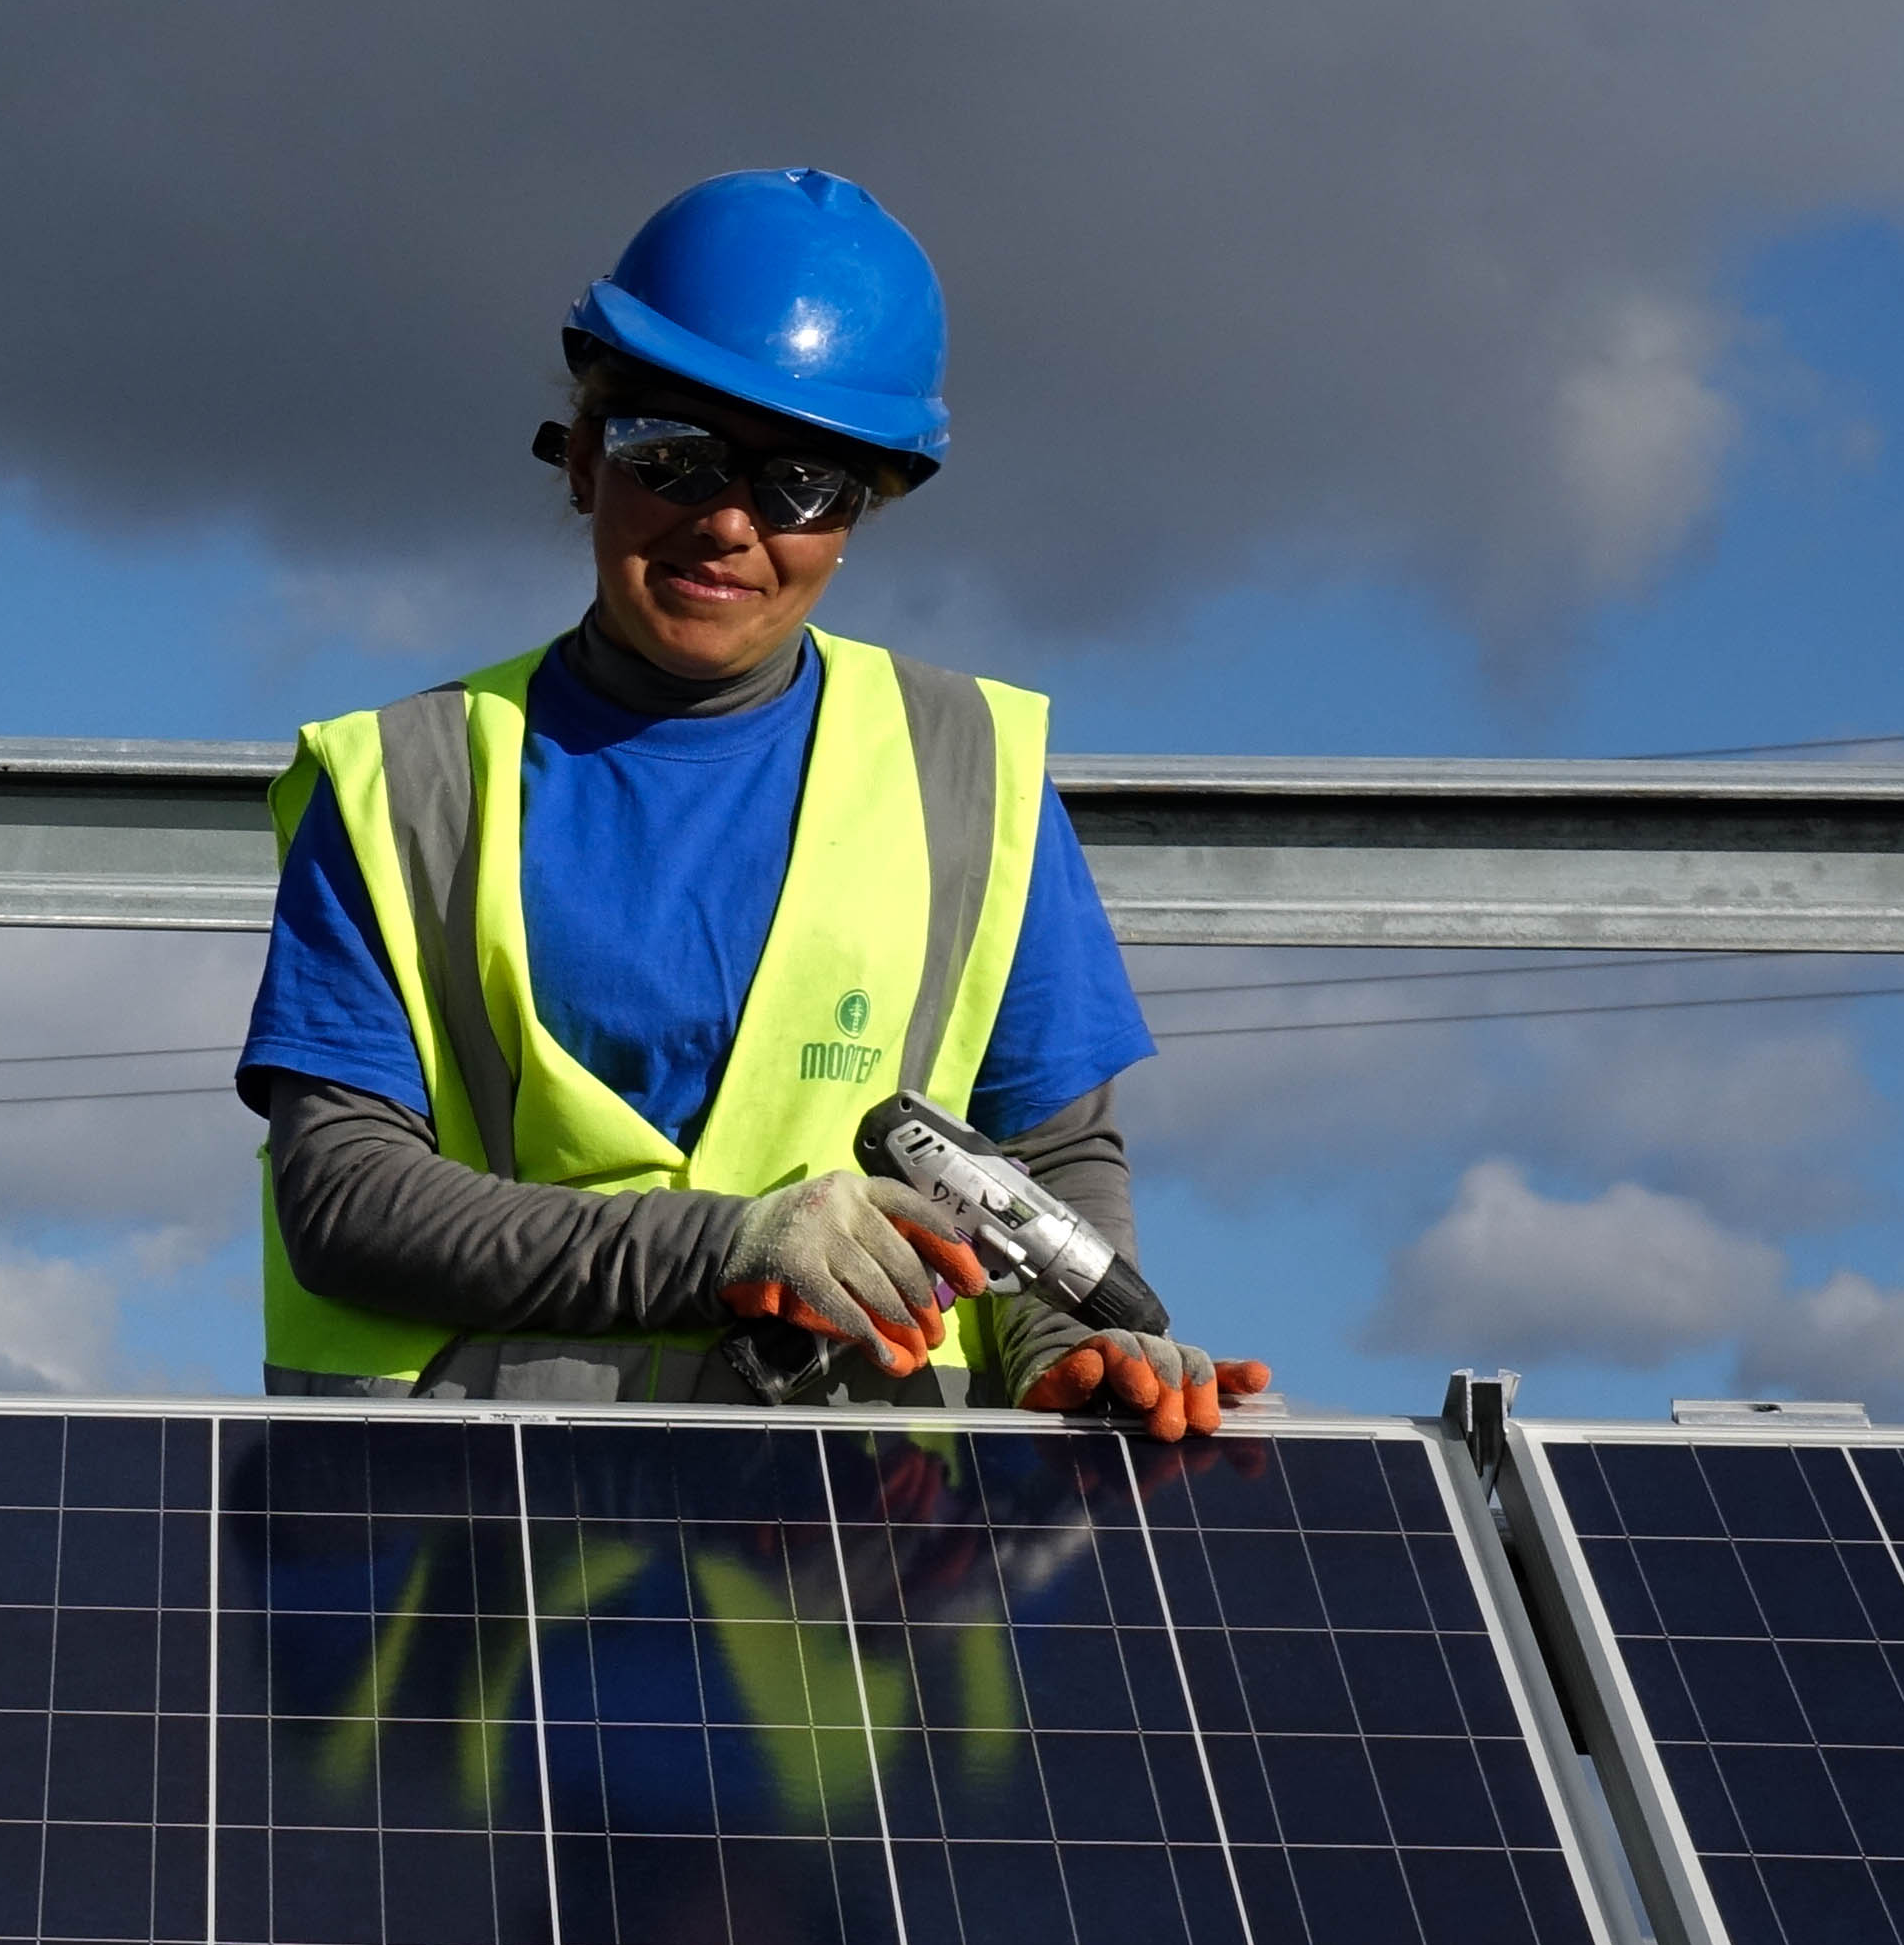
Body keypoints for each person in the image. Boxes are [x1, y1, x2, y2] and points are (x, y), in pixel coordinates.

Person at [245, 166, 1270, 1436]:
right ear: (580, 458)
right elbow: (345, 1194)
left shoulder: (971, 771)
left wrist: (1071, 1344)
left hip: (854, 1581)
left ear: (861, 513)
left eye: (800, 483)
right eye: (669, 456)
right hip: (472, 1568)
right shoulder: (407, 781)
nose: (729, 520)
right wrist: (726, 1247)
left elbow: (1049, 1159)